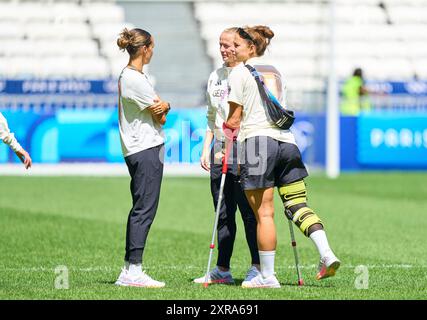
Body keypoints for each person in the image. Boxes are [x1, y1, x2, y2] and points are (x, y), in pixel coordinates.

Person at [223, 25, 340, 288]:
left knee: (264, 213)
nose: (232, 50)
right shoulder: (275, 70)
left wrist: (224, 134)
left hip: (257, 143)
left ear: (251, 48)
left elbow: (234, 119)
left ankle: (267, 276)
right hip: (287, 143)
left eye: (237, 46)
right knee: (298, 205)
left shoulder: (239, 72)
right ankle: (326, 253)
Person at [193, 28, 260, 285]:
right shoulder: (216, 76)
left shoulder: (249, 75)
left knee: (248, 212)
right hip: (219, 149)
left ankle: (257, 267)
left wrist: (232, 145)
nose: (223, 50)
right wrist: (206, 149)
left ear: (240, 46)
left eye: (228, 45)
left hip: (246, 149)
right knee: (222, 212)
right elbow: (212, 117)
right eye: (220, 45)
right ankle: (222, 269)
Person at [114, 28, 170, 288]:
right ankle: (133, 270)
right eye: (153, 47)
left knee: (142, 207)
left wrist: (162, 105)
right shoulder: (135, 79)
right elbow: (160, 116)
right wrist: (166, 106)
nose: (154, 52)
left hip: (139, 148)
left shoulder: (132, 76)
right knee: (144, 208)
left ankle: (131, 268)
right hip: (145, 148)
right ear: (145, 48)